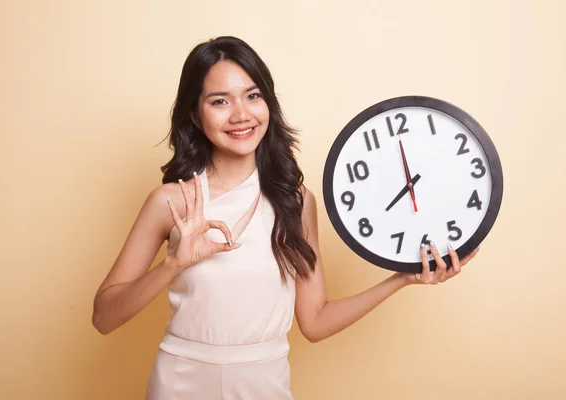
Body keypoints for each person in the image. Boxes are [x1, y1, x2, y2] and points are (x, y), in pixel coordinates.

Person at [92, 36, 479, 399]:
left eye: (252, 96)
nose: (241, 114)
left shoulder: (296, 202)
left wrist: (401, 279)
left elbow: (315, 322)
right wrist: (172, 264)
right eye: (220, 101)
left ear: (268, 104)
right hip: (181, 383)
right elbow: (103, 317)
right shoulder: (170, 202)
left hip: (264, 384)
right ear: (194, 115)